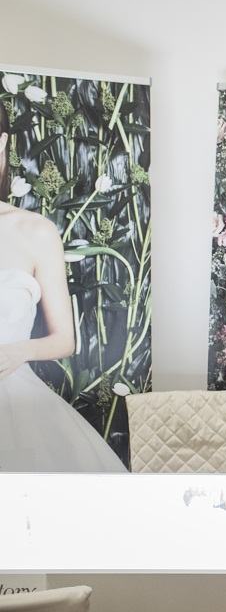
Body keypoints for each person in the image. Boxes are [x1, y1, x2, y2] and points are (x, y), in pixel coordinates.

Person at [0, 99, 126, 472]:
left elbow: (64, 340)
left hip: (13, 403)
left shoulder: (34, 231)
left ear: (2, 142)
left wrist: (15, 352)